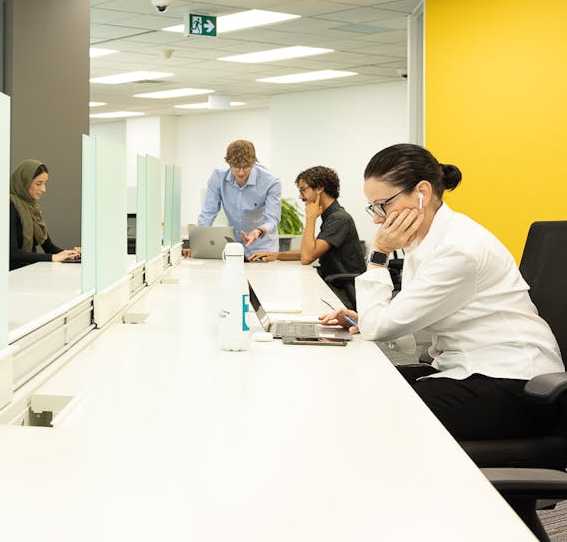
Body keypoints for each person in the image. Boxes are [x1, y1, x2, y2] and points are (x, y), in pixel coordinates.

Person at [319, 144, 563, 441]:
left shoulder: (458, 248)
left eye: (383, 205)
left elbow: (381, 328)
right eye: (374, 208)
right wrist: (365, 319)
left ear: (422, 192)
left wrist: (380, 254)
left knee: (377, 410)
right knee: (359, 389)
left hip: (512, 382)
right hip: (471, 370)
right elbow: (398, 320)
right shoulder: (427, 240)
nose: (378, 219)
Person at [249, 165, 365, 307]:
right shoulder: (331, 216)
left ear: (320, 188)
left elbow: (307, 257)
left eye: (303, 190)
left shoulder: (339, 219)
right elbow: (312, 250)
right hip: (335, 284)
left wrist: (310, 218)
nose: (300, 196)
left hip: (343, 290)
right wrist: (277, 255)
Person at [195, 139, 280, 257]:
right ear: (228, 163)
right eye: (236, 167)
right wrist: (199, 244)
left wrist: (258, 231)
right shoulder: (218, 177)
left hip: (263, 245)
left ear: (254, 162)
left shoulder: (270, 181)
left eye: (246, 167)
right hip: (233, 245)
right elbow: (208, 213)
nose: (241, 172)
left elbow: (272, 219)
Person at [9, 159, 79, 271]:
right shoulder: (9, 205)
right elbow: (11, 253)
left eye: (44, 184)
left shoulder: (32, 207)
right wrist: (52, 257)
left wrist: (73, 254)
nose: (43, 189)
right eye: (38, 184)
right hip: (11, 276)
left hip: (27, 273)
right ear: (24, 181)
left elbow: (49, 247)